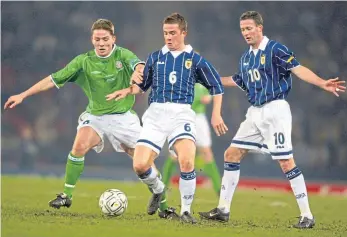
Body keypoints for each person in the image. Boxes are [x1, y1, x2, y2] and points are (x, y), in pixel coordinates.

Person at [4, 18, 178, 219]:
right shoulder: (83, 61)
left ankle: (163, 205)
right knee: (79, 146)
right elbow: (53, 79)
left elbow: (138, 65)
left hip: (124, 119)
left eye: (105, 39)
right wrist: (23, 95)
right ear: (92, 40)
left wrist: (138, 72)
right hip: (96, 117)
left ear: (113, 39)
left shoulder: (123, 55)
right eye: (97, 39)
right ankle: (66, 195)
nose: (101, 43)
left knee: (143, 163)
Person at [198, 11, 346, 229]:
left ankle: (307, 215)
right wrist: (212, 79)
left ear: (260, 28)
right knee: (231, 154)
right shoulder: (246, 58)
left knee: (286, 162)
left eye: (249, 28)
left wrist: (322, 82)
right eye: (242, 30)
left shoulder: (275, 49)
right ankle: (223, 210)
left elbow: (298, 69)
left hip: (275, 110)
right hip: (254, 112)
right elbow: (237, 80)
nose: (245, 33)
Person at [106, 13, 228, 223]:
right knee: (140, 165)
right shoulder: (154, 57)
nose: (168, 37)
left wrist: (216, 113)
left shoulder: (195, 59)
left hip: (182, 114)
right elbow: (142, 86)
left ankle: (186, 211)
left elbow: (216, 86)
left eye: (172, 33)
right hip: (155, 115)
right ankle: (159, 189)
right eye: (165, 33)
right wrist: (128, 90)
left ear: (183, 33)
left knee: (187, 160)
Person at [162, 83, 221, 195]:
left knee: (206, 152)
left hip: (198, 118)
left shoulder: (202, 79)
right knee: (175, 154)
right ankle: (163, 188)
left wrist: (207, 97)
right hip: (182, 117)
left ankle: (219, 189)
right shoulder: (180, 77)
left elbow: (209, 95)